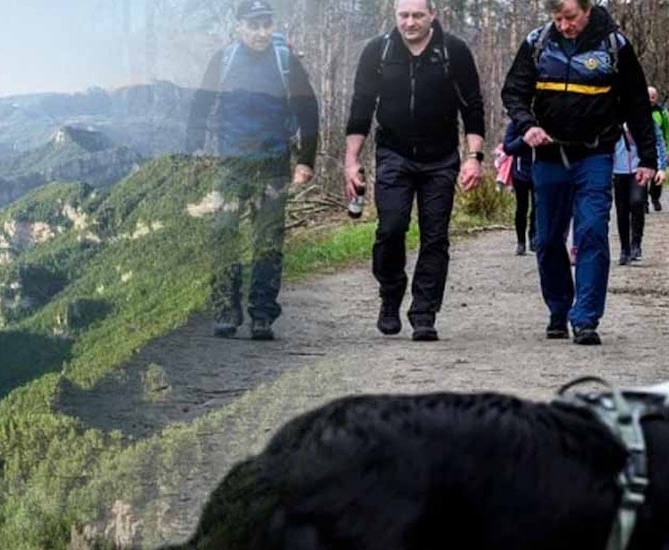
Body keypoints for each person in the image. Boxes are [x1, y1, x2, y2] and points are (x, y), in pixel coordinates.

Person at [502, 0, 657, 346]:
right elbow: (513, 92)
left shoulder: (614, 46)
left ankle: (585, 318)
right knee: (548, 239)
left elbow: (636, 103)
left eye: (570, 17)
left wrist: (647, 157)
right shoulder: (537, 43)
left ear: (587, 10)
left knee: (591, 233)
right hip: (549, 156)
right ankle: (559, 309)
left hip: (595, 155)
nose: (564, 25)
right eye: (557, 18)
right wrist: (526, 126)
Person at [345, 0, 486, 342]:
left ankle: (424, 312)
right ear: (395, 17)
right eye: (403, 15)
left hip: (440, 157)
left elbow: (473, 107)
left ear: (432, 16)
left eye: (417, 15)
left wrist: (474, 157)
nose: (410, 23)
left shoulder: (453, 51)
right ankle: (391, 291)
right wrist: (351, 160)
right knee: (391, 229)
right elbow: (361, 106)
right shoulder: (378, 51)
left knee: (434, 236)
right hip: (394, 154)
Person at [187, 0, 320, 340]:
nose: (261, 32)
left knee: (268, 242)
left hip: (273, 165)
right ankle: (225, 310)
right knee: (222, 233)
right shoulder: (224, 60)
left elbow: (308, 111)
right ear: (239, 28)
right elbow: (200, 105)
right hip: (231, 165)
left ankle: (262, 314)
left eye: (266, 24)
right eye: (254, 25)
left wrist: (305, 160)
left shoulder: (285, 62)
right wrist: (193, 149)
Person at [613, 122, 667, 265]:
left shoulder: (644, 117)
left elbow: (657, 142)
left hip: (640, 168)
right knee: (622, 210)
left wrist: (661, 167)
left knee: (637, 202)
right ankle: (625, 248)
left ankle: (636, 243)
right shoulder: (612, 116)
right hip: (618, 169)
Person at [503, 119, 536, 256]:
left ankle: (534, 239)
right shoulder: (516, 124)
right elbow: (508, 148)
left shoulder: (541, 123)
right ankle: (521, 242)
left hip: (539, 173)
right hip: (520, 173)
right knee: (521, 208)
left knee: (538, 208)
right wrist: (523, 140)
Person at [647, 86, 669, 211]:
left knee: (658, 173)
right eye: (649, 96)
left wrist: (667, 148)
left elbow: (667, 131)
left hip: (658, 146)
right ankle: (643, 202)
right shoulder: (639, 110)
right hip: (644, 147)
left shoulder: (662, 112)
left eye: (653, 96)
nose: (651, 99)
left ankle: (655, 197)